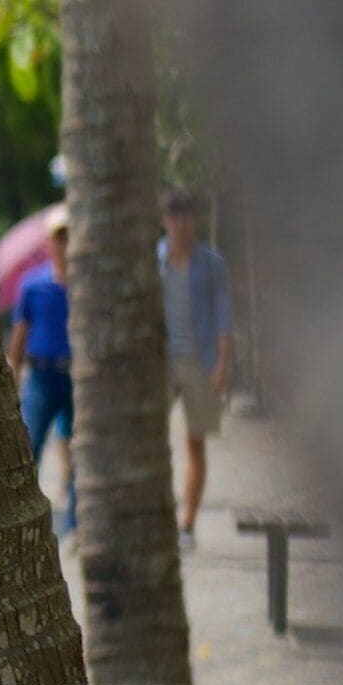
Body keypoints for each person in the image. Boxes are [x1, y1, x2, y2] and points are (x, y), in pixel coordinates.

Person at [159, 188, 235, 545]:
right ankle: (157, 514)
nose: (181, 223)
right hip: (160, 360)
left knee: (195, 442)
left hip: (200, 360)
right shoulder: (154, 259)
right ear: (165, 220)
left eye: (187, 216)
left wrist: (223, 363)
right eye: (174, 216)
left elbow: (224, 315)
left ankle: (187, 523)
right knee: (151, 440)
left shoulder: (212, 262)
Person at [8, 206, 76, 532]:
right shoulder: (32, 285)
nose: (65, 243)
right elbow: (20, 335)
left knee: (79, 454)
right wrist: (14, 374)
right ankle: (23, 519)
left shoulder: (87, 286)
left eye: (70, 236)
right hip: (41, 377)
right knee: (29, 446)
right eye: (60, 236)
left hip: (79, 377)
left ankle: (77, 525)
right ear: (49, 242)